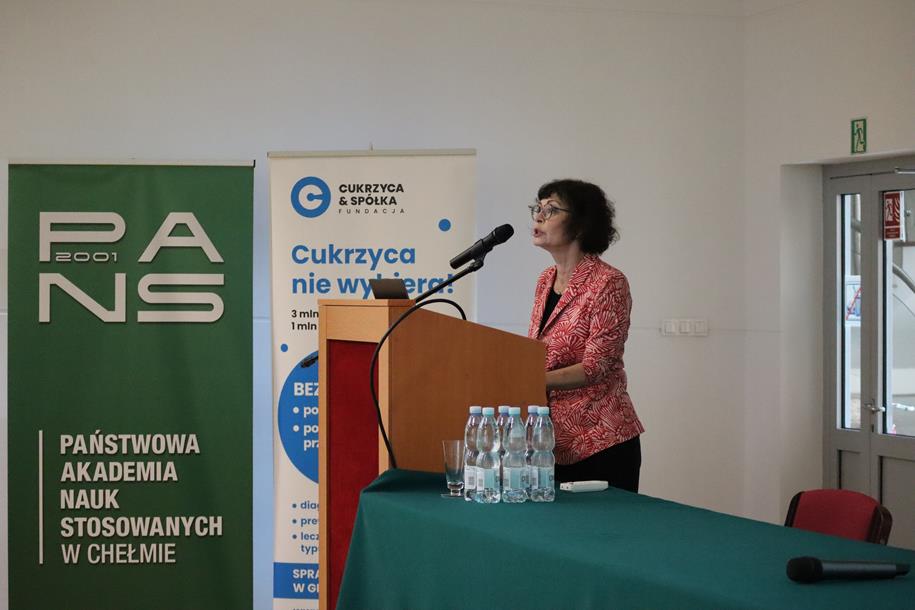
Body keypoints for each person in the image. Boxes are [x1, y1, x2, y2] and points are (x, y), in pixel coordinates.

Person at [527, 179, 644, 492]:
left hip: (600, 439)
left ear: (580, 225)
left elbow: (596, 367)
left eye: (551, 210)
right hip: (551, 441)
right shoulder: (545, 280)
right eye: (537, 208)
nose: (539, 216)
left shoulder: (608, 282)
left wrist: (528, 379)